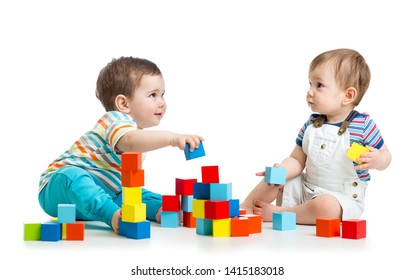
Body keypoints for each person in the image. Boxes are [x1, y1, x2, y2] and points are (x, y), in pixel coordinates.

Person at [38, 57, 204, 234]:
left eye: (163, 95)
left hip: (104, 194)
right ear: (123, 104)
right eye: (153, 95)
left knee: (136, 195)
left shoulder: (136, 131)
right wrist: (171, 139)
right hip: (58, 189)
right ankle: (111, 215)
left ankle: (166, 209)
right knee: (73, 176)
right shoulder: (115, 121)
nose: (162, 102)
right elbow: (130, 142)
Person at [240, 48, 391, 224]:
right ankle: (246, 207)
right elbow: (297, 160)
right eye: (310, 84)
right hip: (306, 189)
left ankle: (282, 214)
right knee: (275, 176)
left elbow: (386, 155)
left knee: (326, 205)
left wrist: (378, 159)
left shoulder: (363, 125)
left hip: (340, 198)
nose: (310, 91)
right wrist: (281, 170)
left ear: (348, 95)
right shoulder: (312, 124)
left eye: (319, 85)